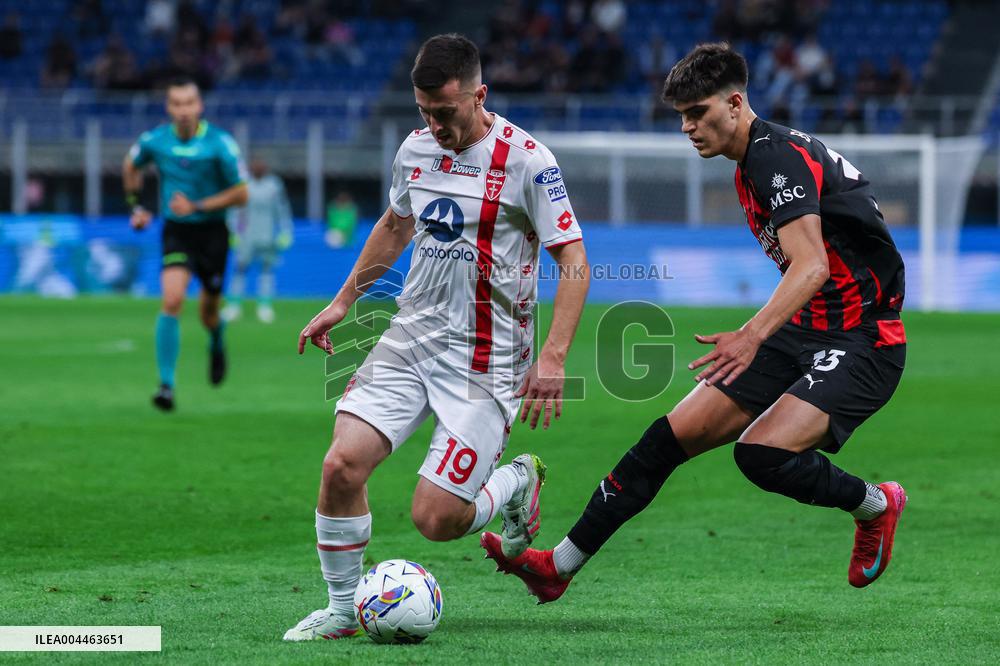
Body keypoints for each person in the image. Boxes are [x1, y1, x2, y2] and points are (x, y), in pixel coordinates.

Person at [483, 42, 908, 602]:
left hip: (865, 339)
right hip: (806, 330)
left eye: (698, 113)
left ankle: (875, 504)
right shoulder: (751, 162)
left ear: (735, 103)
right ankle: (557, 566)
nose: (688, 127)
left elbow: (812, 266)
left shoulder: (773, 157)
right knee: (665, 439)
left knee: (761, 453)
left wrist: (751, 336)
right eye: (681, 116)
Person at [284, 33, 590, 641]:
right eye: (424, 112)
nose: (434, 125)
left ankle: (514, 481)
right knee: (341, 466)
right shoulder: (415, 150)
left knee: (437, 518)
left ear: (479, 95)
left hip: (489, 359)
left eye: (445, 113)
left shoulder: (529, 161)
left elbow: (574, 260)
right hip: (412, 336)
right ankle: (344, 609)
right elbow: (396, 225)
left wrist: (553, 356)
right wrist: (344, 301)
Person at [123, 77, 248, 411]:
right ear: (168, 108)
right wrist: (137, 206)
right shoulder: (155, 140)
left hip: (212, 234)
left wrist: (198, 205)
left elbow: (242, 193)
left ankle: (217, 339)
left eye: (188, 103)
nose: (182, 110)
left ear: (199, 106)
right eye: (176, 104)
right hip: (176, 231)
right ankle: (166, 385)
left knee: (208, 314)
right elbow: (130, 165)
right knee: (173, 299)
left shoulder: (221, 144)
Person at [222, 157, 293, 324]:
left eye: (261, 165)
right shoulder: (243, 184)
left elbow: (281, 209)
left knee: (267, 270)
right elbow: (234, 210)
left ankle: (264, 306)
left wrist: (285, 230)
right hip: (246, 234)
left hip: (267, 235)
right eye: (255, 165)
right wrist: (232, 231)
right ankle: (233, 306)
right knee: (240, 269)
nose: (258, 168)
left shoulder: (274, 185)